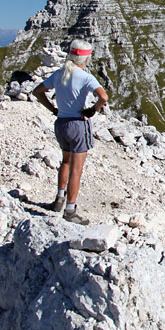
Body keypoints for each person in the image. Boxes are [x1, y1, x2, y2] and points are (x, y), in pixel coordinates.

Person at [32, 39, 108, 225]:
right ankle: (70, 210)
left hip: (61, 124)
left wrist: (53, 109)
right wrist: (93, 109)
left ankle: (58, 200)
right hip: (77, 125)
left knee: (65, 162)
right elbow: (104, 96)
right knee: (77, 169)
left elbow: (37, 92)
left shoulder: (59, 74)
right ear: (86, 58)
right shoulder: (85, 77)